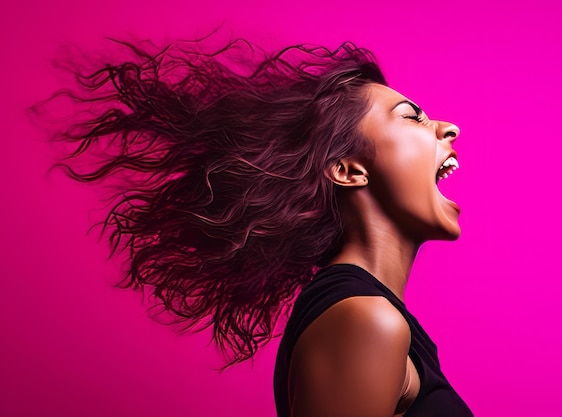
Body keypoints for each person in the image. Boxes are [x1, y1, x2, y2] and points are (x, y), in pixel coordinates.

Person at [30, 35, 473, 417]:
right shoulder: (365, 320)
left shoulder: (374, 318)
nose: (447, 128)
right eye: (412, 116)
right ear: (348, 170)